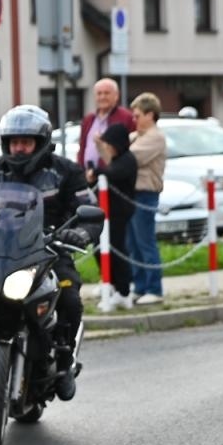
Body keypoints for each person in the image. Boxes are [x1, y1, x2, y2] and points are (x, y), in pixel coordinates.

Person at [0, 104, 93, 398]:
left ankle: (63, 362)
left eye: (26, 142)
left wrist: (81, 232)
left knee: (70, 297)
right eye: (14, 142)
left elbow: (88, 212)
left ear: (41, 143)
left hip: (49, 250)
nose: (19, 148)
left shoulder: (64, 172)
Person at [127, 92, 168, 305]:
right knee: (132, 243)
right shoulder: (138, 136)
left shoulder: (155, 137)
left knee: (145, 242)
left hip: (145, 193)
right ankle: (140, 285)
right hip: (132, 193)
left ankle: (154, 288)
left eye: (137, 115)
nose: (134, 120)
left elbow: (129, 158)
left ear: (150, 115)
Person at [94, 123, 138, 312]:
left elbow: (114, 173)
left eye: (110, 144)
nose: (107, 148)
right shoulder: (118, 158)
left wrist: (96, 172)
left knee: (118, 250)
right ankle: (111, 284)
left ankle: (124, 291)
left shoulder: (127, 160)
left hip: (119, 212)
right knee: (101, 249)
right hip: (109, 212)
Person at [79, 78, 136, 182]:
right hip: (88, 177)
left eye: (106, 93)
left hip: (112, 178)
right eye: (99, 93)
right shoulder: (88, 119)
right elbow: (82, 147)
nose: (102, 97)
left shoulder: (126, 117)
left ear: (116, 96)